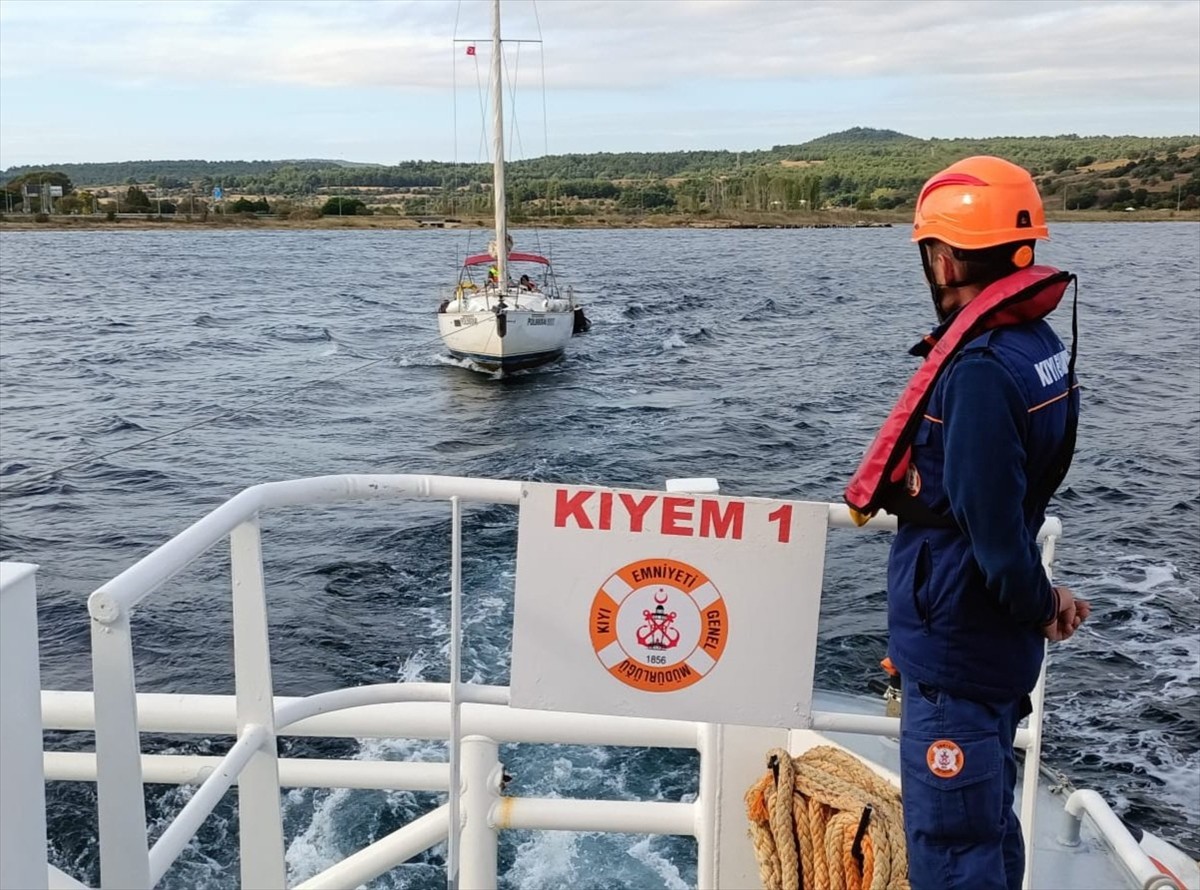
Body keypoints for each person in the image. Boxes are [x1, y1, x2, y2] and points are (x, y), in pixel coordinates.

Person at [845, 156, 1089, 890]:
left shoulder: (980, 369)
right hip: (989, 642)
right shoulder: (1037, 348)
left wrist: (1042, 602)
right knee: (988, 828)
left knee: (954, 849)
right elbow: (1011, 504)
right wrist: (1037, 596)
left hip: (960, 642)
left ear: (944, 257)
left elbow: (988, 529)